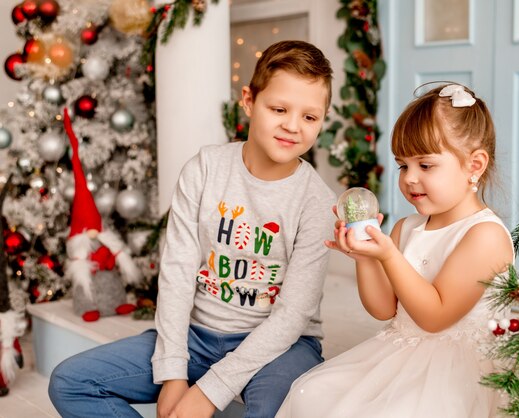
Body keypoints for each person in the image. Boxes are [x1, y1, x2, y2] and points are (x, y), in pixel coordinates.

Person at [48, 40, 337, 418]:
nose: (292, 126)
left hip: (282, 346)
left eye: (310, 117)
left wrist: (210, 391)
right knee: (71, 382)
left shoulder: (317, 201)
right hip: (197, 335)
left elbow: (292, 316)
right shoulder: (205, 169)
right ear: (249, 101)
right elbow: (177, 274)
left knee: (273, 410)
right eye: (279, 108)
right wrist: (172, 372)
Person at [276, 83, 514, 418]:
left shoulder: (484, 236)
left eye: (425, 165)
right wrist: (367, 258)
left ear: (474, 165)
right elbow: (383, 309)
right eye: (403, 166)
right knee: (311, 394)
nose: (409, 178)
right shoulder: (408, 227)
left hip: (455, 369)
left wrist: (389, 256)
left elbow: (434, 317)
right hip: (401, 350)